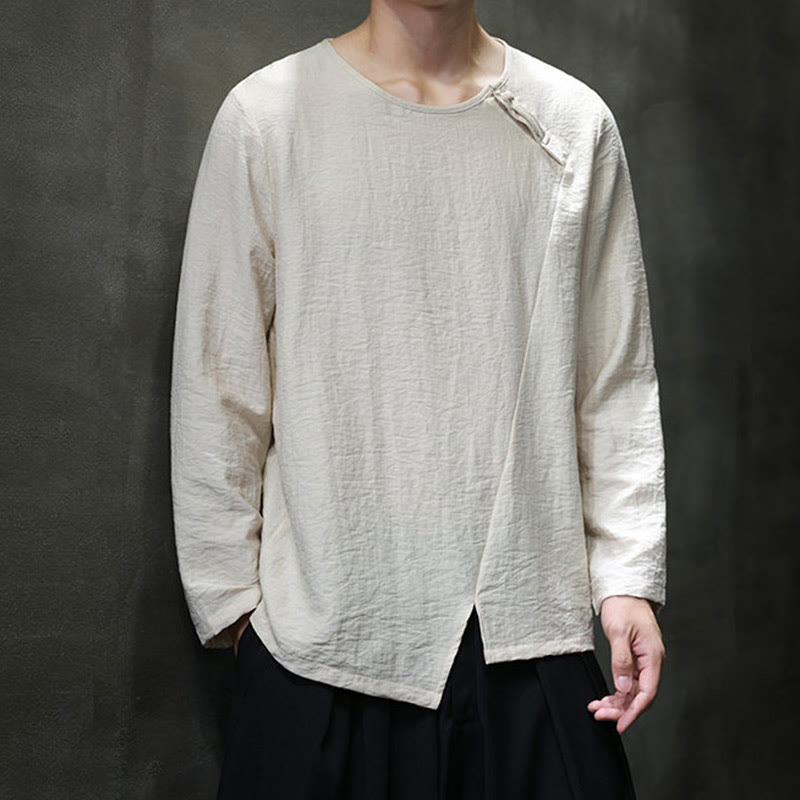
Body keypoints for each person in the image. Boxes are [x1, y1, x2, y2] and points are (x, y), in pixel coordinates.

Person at [170, 1, 667, 797]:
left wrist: (626, 577)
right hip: (324, 648)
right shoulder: (267, 116)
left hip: (530, 638)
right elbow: (218, 379)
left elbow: (613, 380)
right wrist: (236, 611)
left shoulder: (573, 121)